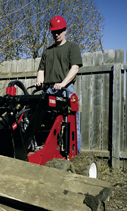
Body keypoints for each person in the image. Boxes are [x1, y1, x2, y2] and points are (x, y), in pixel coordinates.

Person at [35, 15, 82, 153]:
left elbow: (75, 68)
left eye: (59, 31)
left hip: (65, 90)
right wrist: (39, 81)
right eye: (53, 32)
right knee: (45, 124)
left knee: (72, 125)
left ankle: (75, 154)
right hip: (48, 91)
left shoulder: (72, 47)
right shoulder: (47, 51)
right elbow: (41, 70)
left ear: (65, 30)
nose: (56, 34)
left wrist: (62, 84)